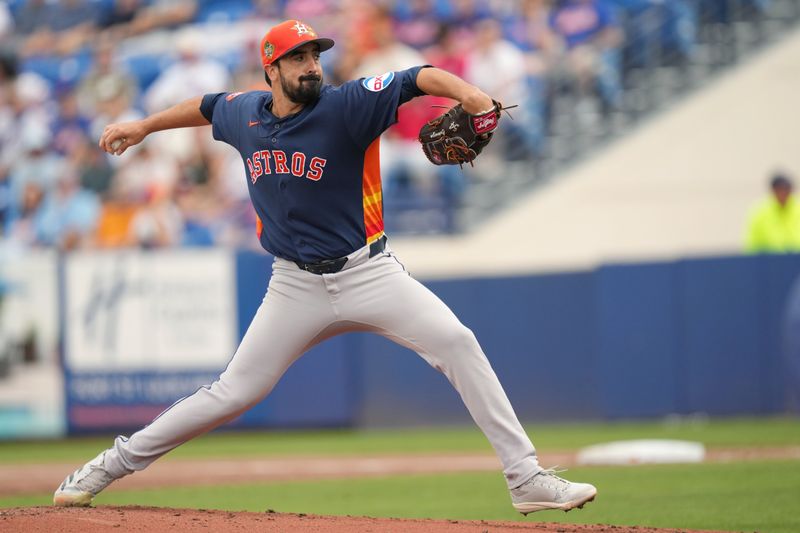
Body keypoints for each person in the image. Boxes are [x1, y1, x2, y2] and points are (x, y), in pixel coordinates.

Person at [53, 19, 597, 515]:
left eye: (315, 55)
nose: (312, 65)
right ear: (272, 70)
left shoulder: (348, 105)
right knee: (233, 393)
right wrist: (145, 126)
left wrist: (472, 94)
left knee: (457, 342)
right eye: (298, 58)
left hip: (369, 272)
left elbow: (418, 76)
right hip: (293, 285)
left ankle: (525, 478)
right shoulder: (245, 113)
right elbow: (206, 105)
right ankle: (108, 466)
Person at [745, 172, 800, 254]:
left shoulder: (797, 209)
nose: (783, 193)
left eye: (786, 189)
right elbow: (752, 244)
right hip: (768, 263)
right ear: (773, 191)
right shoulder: (760, 213)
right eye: (779, 190)